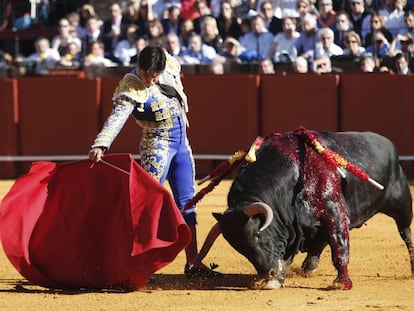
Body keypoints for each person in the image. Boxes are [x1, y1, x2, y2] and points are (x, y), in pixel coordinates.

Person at [88, 46, 221, 278]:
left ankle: (193, 263)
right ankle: (133, 263)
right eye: (149, 74)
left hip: (181, 147)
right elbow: (117, 118)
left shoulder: (167, 65)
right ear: (139, 67)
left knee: (188, 203)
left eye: (156, 74)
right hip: (157, 147)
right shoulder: (131, 86)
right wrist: (101, 143)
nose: (152, 79)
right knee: (147, 206)